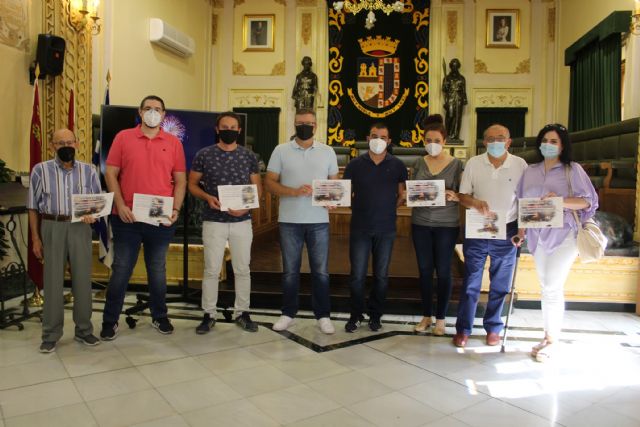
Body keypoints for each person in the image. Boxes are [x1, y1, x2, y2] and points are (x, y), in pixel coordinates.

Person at [100, 95, 187, 340]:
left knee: (157, 270)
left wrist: (176, 210)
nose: (152, 112)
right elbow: (111, 174)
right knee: (121, 270)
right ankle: (109, 321)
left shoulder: (173, 143)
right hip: (126, 217)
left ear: (164, 114)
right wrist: (120, 205)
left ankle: (160, 317)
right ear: (140, 112)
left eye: (157, 109)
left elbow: (180, 181)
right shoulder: (123, 137)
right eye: (148, 108)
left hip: (160, 219)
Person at [514, 123, 598, 361]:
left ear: (562, 146)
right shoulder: (530, 171)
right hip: (537, 236)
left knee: (552, 285)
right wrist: (520, 232)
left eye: (554, 142)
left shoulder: (573, 170)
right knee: (546, 286)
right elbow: (523, 204)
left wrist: (560, 200)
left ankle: (552, 340)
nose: (548, 145)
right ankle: (548, 335)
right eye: (545, 141)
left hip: (564, 235)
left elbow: (588, 202)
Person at [27, 128, 102, 353]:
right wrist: (36, 238)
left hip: (80, 227)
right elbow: (32, 207)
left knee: (82, 279)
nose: (65, 146)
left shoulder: (89, 171)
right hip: (52, 226)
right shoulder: (40, 170)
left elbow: (98, 203)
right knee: (52, 281)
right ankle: (51, 333)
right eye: (60, 143)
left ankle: (84, 330)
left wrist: (94, 214)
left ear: (77, 144)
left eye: (69, 141)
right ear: (52, 146)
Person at [265, 109, 339, 334]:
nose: (304, 126)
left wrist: (332, 199)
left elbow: (334, 184)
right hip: (289, 220)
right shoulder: (281, 150)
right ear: (294, 125)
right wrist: (294, 192)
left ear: (316, 126)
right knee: (290, 271)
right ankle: (288, 313)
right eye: (300, 123)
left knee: (321, 271)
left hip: (318, 221)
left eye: (308, 123)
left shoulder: (327, 151)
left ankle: (323, 316)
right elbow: (269, 183)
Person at [453, 124, 527, 348]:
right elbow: (462, 196)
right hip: (478, 230)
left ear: (508, 141)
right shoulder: (474, 163)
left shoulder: (520, 165)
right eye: (490, 138)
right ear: (484, 142)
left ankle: (493, 327)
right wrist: (474, 202)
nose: (496, 142)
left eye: (500, 138)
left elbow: (525, 199)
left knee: (500, 284)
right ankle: (463, 329)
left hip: (508, 231)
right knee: (471, 284)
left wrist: (523, 229)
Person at [188, 112, 262, 334]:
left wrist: (246, 208)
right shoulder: (204, 155)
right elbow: (192, 184)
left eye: (233, 127)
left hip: (242, 221)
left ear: (239, 131)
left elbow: (257, 189)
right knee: (211, 269)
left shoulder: (249, 156)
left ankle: (243, 312)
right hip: (214, 220)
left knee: (242, 269)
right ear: (217, 129)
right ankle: (209, 314)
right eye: (224, 126)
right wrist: (207, 197)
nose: (229, 130)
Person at [343, 123, 407, 333]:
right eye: (374, 135)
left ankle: (375, 315)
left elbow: (402, 195)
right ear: (367, 138)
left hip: (386, 228)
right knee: (357, 275)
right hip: (360, 227)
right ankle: (355, 315)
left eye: (383, 136)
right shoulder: (354, 164)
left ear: (389, 141)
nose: (378, 139)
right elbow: (346, 194)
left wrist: (389, 207)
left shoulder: (397, 165)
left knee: (381, 275)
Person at [411, 115, 463, 335]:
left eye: (436, 140)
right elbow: (413, 188)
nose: (432, 144)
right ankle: (426, 316)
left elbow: (465, 194)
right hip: (420, 223)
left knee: (443, 271)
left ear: (444, 141)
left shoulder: (457, 164)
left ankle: (441, 319)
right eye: (428, 140)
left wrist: (455, 195)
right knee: (424, 271)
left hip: (446, 224)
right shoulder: (418, 162)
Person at [442, 58, 467, 141]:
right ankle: (448, 135)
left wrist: (465, 99)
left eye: (456, 67)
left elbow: (464, 90)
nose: (454, 68)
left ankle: (456, 136)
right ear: (451, 67)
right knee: (450, 116)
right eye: (453, 66)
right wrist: (445, 85)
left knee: (457, 117)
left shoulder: (462, 78)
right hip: (450, 98)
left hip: (459, 99)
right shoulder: (447, 78)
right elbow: (444, 90)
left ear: (458, 67)